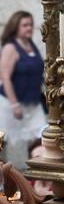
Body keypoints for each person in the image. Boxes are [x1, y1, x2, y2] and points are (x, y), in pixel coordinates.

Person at [0, 11, 46, 170]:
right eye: (25, 25)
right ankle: (16, 181)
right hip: (11, 105)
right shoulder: (10, 48)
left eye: (31, 25)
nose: (29, 28)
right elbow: (5, 77)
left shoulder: (31, 45)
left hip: (33, 104)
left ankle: (38, 176)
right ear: (15, 27)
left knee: (43, 136)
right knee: (14, 144)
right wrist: (14, 105)